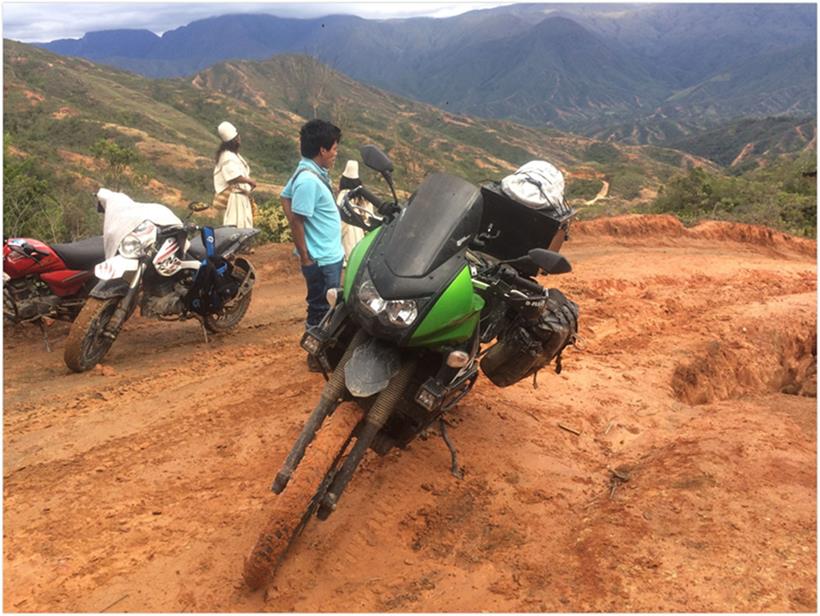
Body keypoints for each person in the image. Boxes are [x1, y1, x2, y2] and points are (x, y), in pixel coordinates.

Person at [280, 119, 344, 371]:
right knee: (321, 309)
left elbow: (284, 196)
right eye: (334, 148)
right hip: (321, 259)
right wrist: (306, 255)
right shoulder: (308, 180)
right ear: (322, 150)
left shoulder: (307, 171)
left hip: (325, 255)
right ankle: (316, 358)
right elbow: (298, 220)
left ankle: (320, 354)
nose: (336, 153)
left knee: (325, 306)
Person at [213, 121, 256, 229]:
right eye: (238, 138)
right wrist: (249, 181)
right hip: (235, 198)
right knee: (237, 227)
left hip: (241, 197)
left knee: (244, 227)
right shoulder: (227, 156)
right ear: (235, 141)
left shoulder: (231, 155)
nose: (239, 139)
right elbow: (233, 177)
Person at [336, 160, 374, 264]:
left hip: (347, 244)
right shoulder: (363, 197)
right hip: (361, 244)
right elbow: (369, 219)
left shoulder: (343, 196)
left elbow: (340, 224)